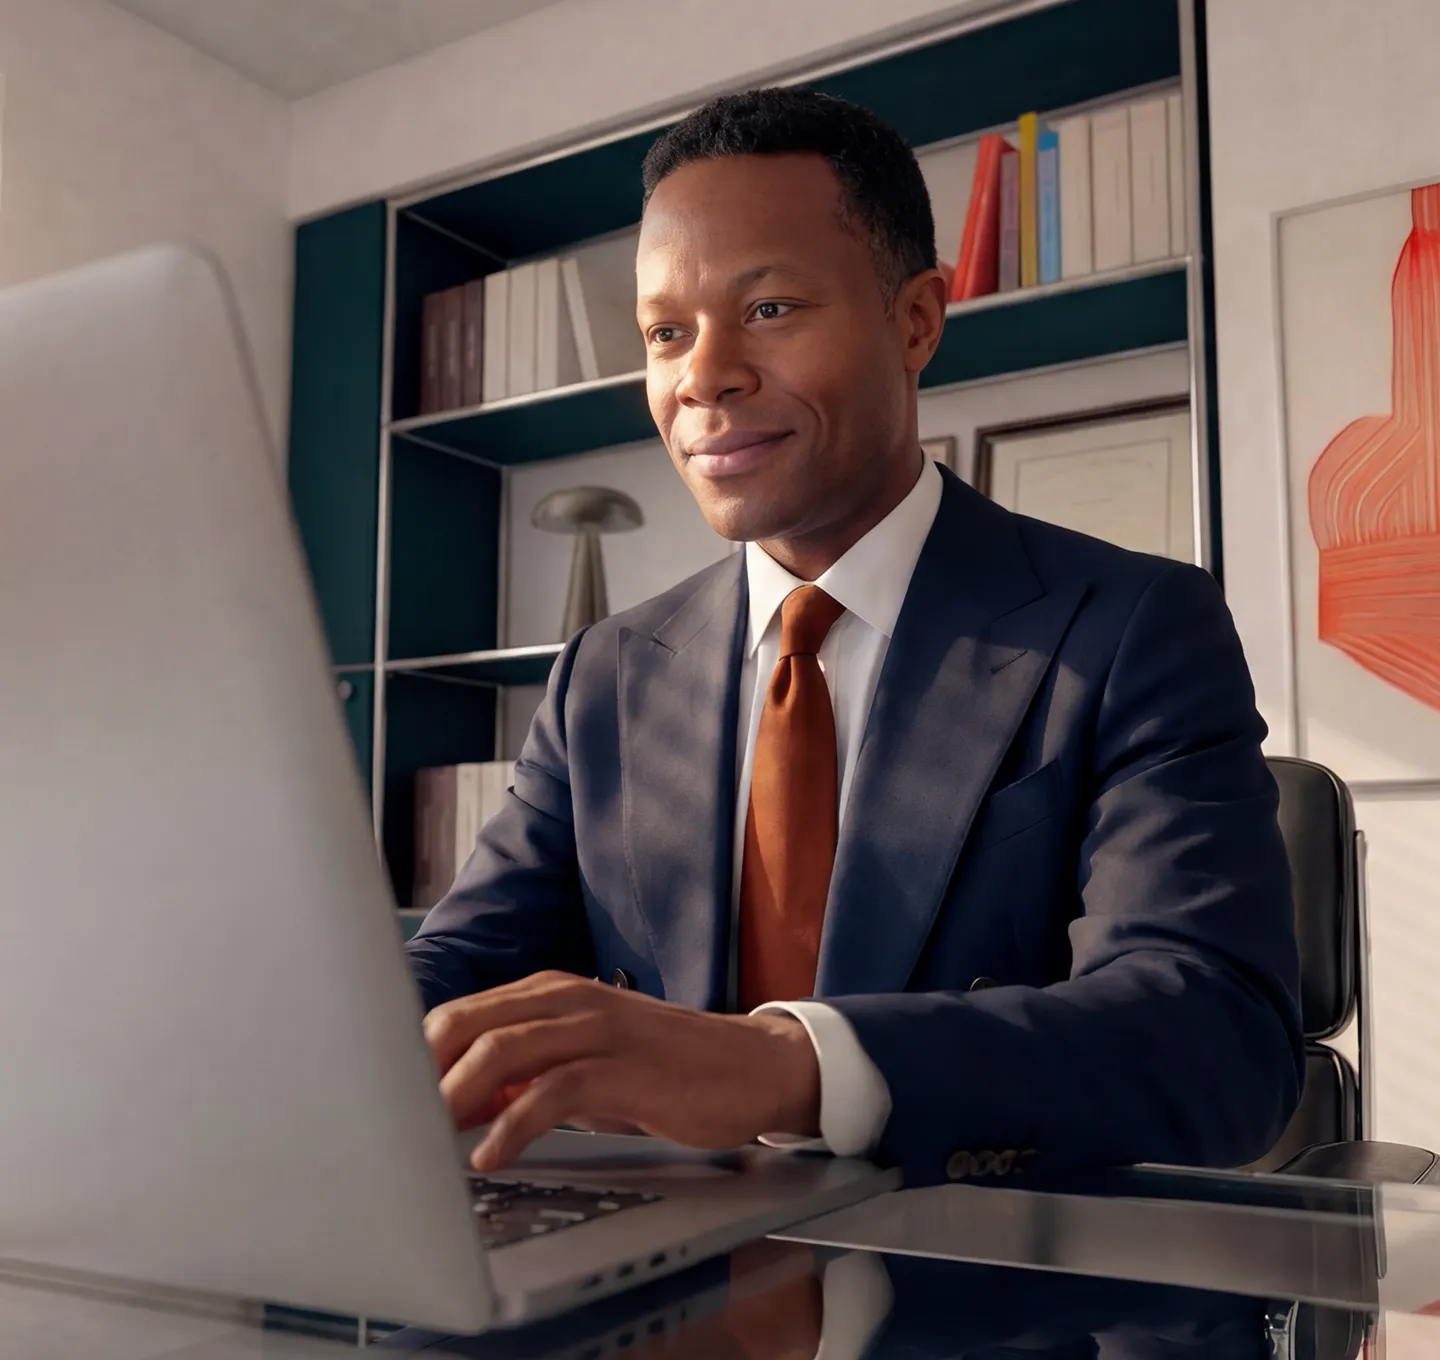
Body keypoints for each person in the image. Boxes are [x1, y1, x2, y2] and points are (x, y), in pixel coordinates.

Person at [407, 87, 1302, 1185]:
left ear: (917, 319)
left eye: (770, 309)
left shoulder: (1129, 627)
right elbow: (463, 961)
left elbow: (1217, 1041)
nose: (703, 375)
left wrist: (788, 1065)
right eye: (665, 333)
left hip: (989, 1299)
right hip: (654, 1292)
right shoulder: (605, 673)